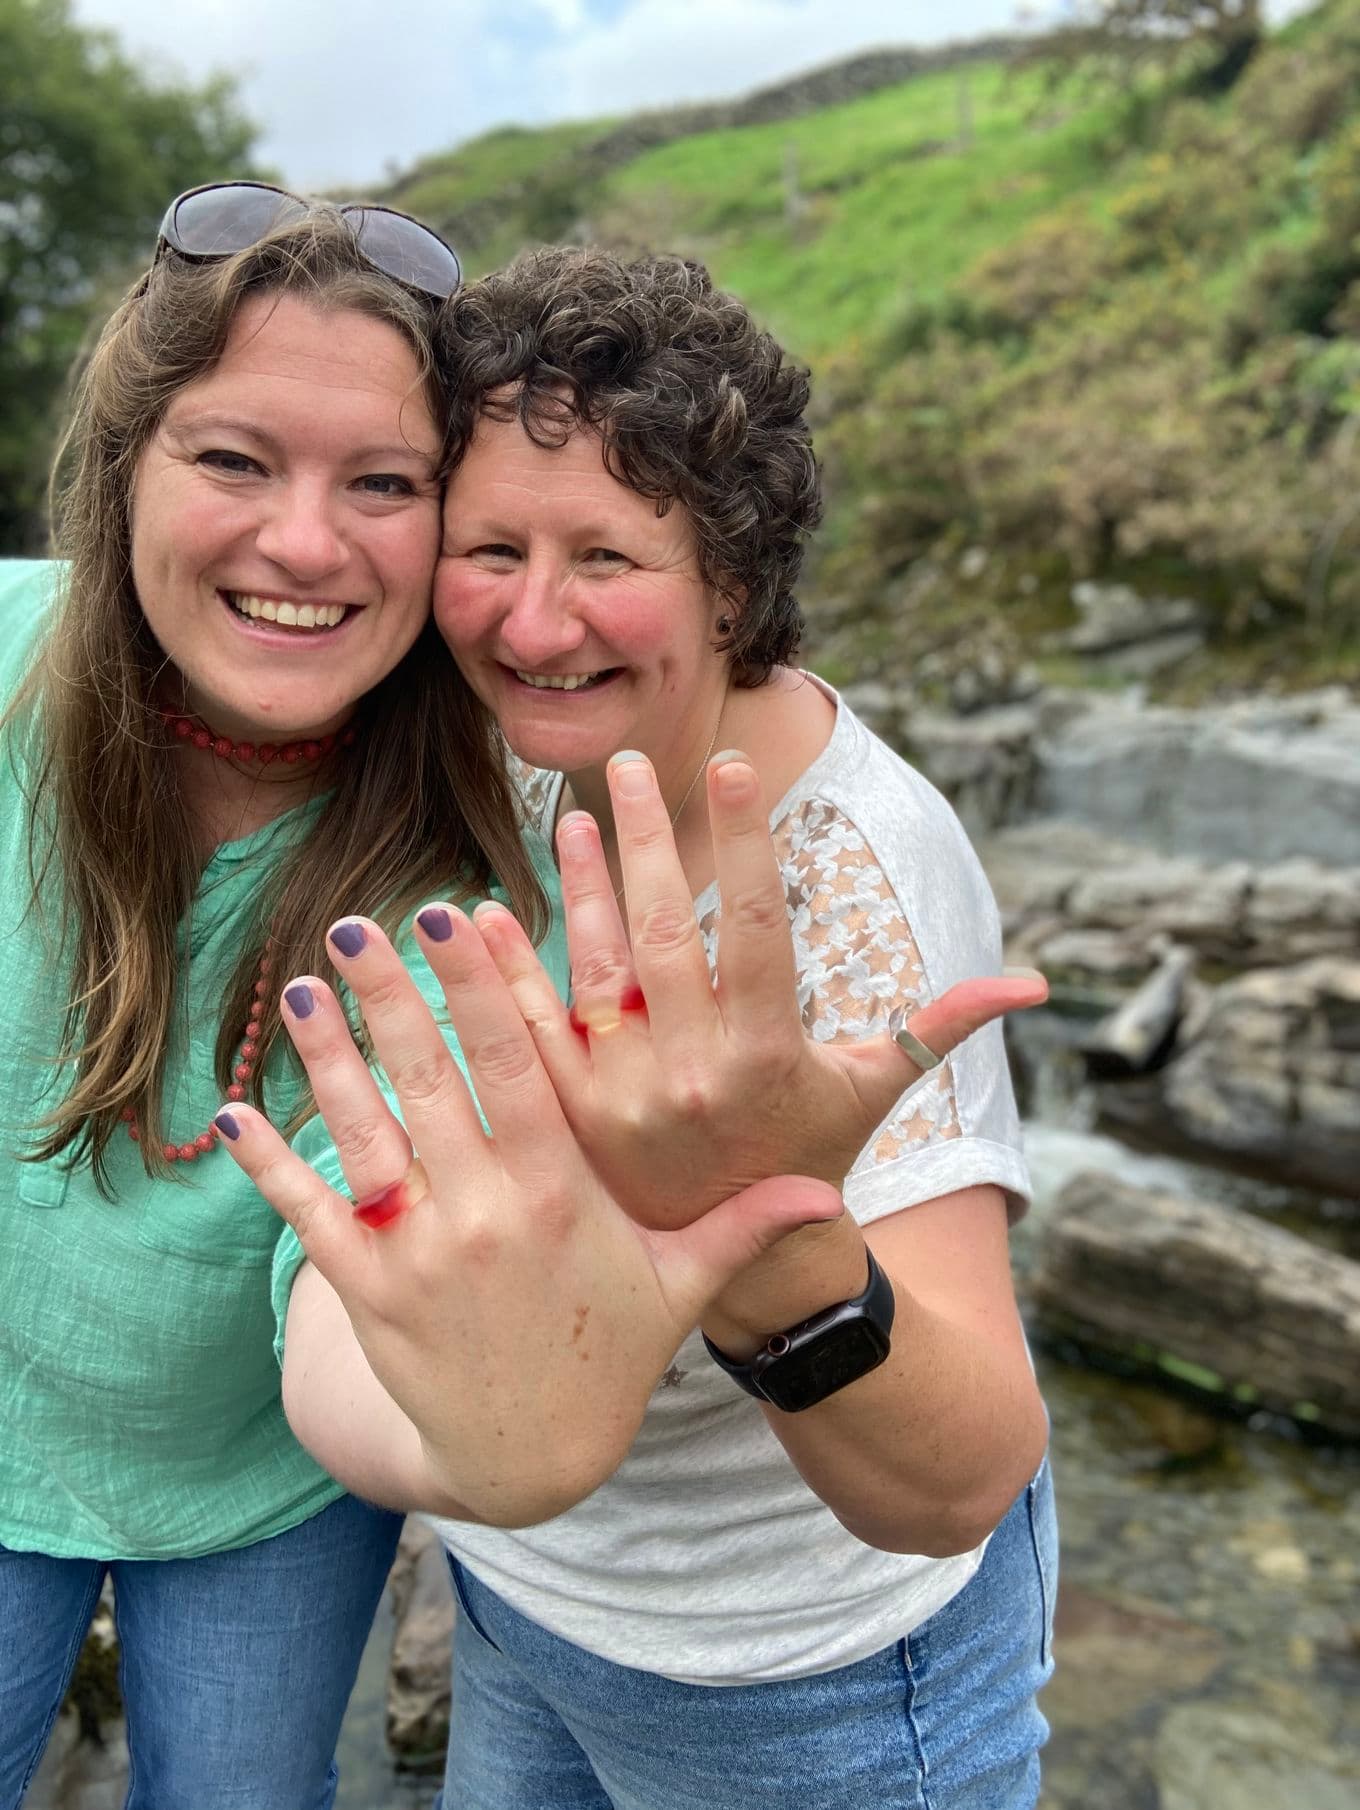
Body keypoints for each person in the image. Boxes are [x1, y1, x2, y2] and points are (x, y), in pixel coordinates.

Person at [232, 248, 1058, 1810]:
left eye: (605, 553)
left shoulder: (852, 873)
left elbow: (963, 1476)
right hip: (520, 1605)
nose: (536, 622)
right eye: (489, 547)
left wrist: (760, 1233)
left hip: (802, 1680)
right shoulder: (512, 753)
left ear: (732, 579)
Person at [0, 184, 565, 1810]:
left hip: (276, 1488)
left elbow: (347, 1294)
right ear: (123, 472)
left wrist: (480, 1427)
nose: (305, 544)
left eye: (383, 484)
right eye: (234, 459)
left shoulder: (467, 889)